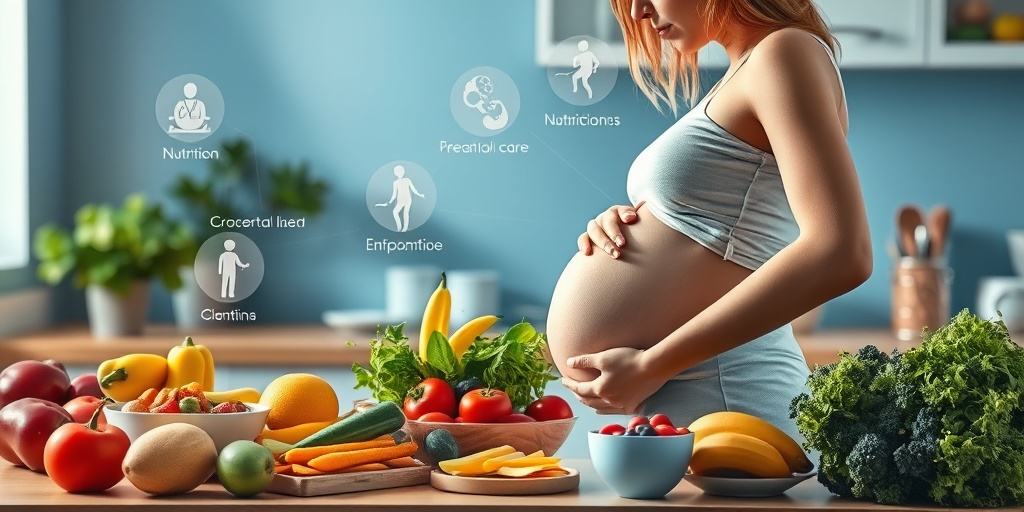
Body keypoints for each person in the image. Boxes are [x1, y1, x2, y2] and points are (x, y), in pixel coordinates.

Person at [548, 0, 871, 447]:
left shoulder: (784, 52)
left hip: (731, 398)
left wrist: (653, 365)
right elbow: (719, 223)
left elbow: (842, 252)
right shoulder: (750, 67)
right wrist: (634, 220)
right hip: (690, 403)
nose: (639, 11)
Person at [375, 165, 426, 232]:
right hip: (400, 200)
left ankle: (404, 228)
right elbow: (394, 194)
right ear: (395, 173)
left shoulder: (407, 180)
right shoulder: (395, 183)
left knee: (405, 213)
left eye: (401, 171)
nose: (400, 173)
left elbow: (413, 189)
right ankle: (399, 228)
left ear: (403, 172)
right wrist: (389, 202)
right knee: (395, 212)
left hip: (407, 199)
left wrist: (419, 194)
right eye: (398, 172)